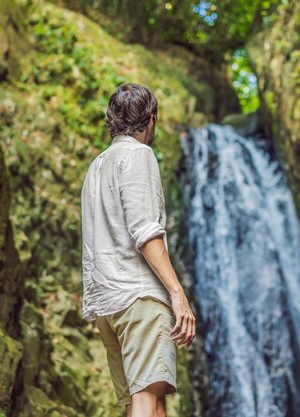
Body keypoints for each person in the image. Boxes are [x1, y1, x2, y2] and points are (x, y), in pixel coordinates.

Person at [80, 82, 196, 417]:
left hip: (107, 304)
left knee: (147, 403)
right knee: (147, 401)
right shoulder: (138, 155)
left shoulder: (96, 167)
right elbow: (145, 231)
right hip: (139, 298)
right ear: (151, 120)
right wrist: (177, 293)